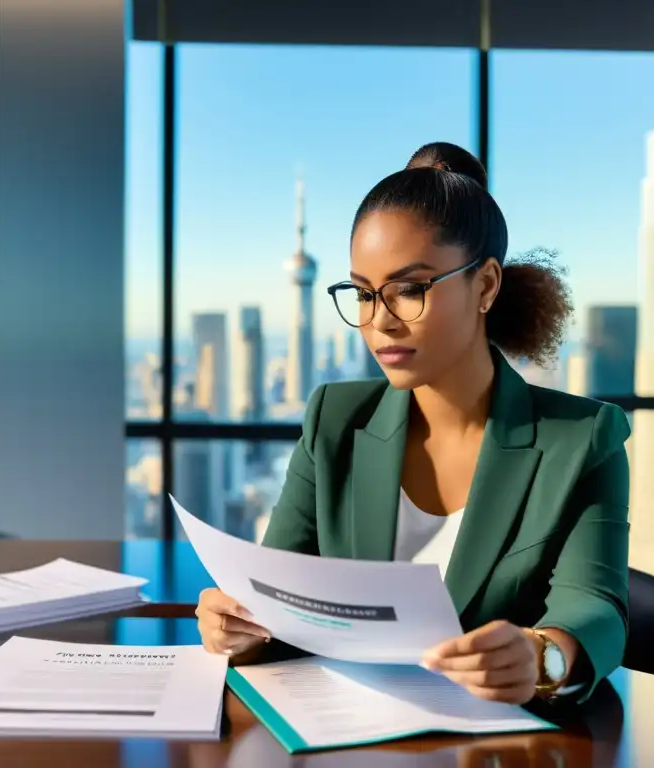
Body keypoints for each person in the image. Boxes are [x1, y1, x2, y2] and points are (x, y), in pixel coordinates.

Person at [196, 141, 630, 706]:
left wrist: (541, 654)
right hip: (342, 737)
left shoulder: (581, 439)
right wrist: (238, 629)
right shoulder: (335, 421)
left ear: (486, 286)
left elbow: (594, 606)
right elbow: (278, 596)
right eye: (363, 293)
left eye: (409, 290)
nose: (379, 322)